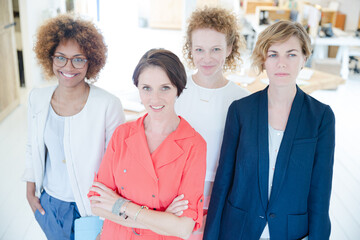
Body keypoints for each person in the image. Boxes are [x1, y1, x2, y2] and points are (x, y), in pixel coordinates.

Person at [204, 20, 335, 240]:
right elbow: (224, 179)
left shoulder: (321, 117)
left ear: (304, 58)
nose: (281, 63)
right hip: (239, 229)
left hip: (290, 231)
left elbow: (320, 192)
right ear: (264, 60)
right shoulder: (240, 110)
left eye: (291, 54)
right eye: (273, 54)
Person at [22, 14, 125, 240]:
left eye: (78, 59)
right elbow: (33, 146)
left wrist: (109, 213)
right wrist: (30, 191)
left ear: (91, 61)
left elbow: (117, 166)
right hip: (51, 203)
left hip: (92, 208)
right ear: (50, 58)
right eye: (61, 57)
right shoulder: (38, 99)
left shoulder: (108, 105)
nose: (68, 66)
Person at [87, 49, 207, 240]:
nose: (155, 99)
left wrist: (120, 205)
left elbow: (183, 228)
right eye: (146, 88)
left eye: (165, 88)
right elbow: (97, 204)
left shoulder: (194, 145)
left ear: (178, 87)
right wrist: (163, 219)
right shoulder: (122, 134)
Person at [174, 7, 250, 238]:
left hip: (221, 195)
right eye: (200, 49)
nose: (207, 58)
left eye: (216, 49)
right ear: (191, 50)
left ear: (229, 48)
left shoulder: (241, 99)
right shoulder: (175, 90)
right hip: (176, 193)